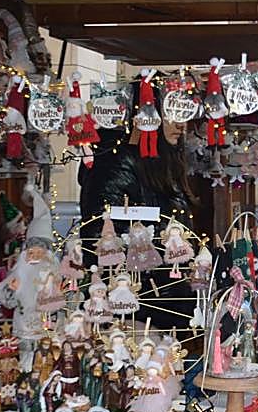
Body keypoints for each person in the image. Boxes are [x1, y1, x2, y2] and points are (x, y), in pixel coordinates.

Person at [78, 118, 197, 332]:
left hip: (162, 306)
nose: (180, 125)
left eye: (183, 116)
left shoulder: (161, 164)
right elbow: (101, 238)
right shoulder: (118, 161)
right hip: (133, 312)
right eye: (170, 115)